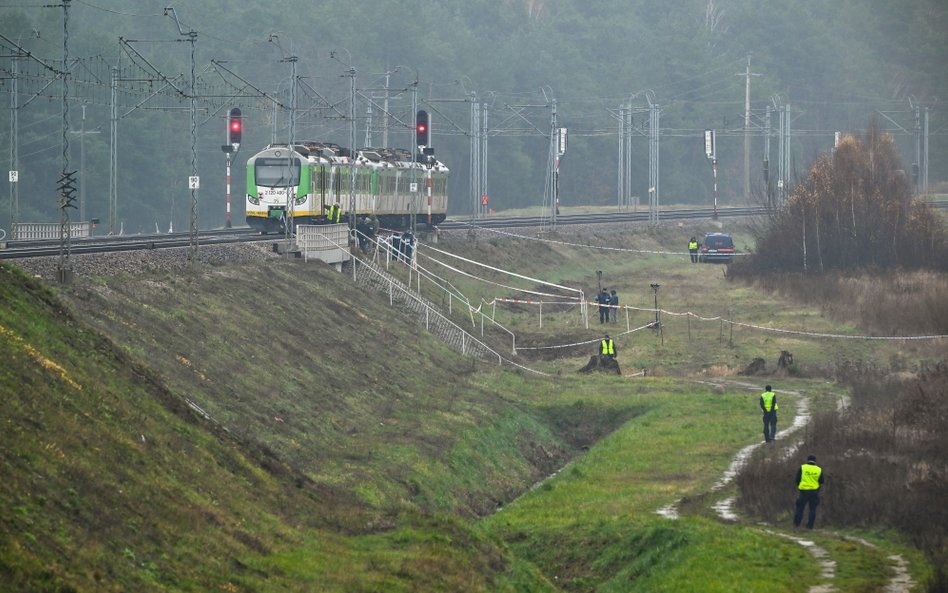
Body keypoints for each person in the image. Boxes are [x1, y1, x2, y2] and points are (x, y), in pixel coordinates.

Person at [793, 454, 824, 529]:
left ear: (807, 460)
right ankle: (810, 526)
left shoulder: (802, 467)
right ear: (815, 461)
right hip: (814, 492)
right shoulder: (819, 469)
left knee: (800, 508)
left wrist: (799, 487)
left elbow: (797, 479)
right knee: (812, 509)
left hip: (803, 491)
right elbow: (822, 481)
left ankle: (796, 524)